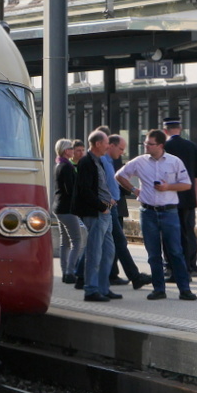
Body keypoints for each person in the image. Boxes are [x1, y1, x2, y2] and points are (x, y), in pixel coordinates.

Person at [115, 129, 196, 300]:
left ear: (160, 145)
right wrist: (134, 190)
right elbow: (120, 175)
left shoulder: (174, 162)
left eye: (149, 144)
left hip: (169, 211)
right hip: (148, 211)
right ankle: (159, 289)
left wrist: (168, 187)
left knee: (175, 251)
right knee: (153, 253)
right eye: (145, 143)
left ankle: (184, 289)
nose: (146, 146)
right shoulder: (140, 161)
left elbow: (186, 184)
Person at [71, 129, 119, 302]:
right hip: (97, 213)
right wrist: (102, 207)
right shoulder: (86, 162)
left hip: (105, 211)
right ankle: (91, 290)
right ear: (98, 144)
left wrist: (110, 201)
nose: (108, 146)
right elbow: (85, 190)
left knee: (108, 252)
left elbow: (100, 185)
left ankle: (103, 288)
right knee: (94, 252)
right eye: (106, 143)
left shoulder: (97, 161)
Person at [105, 134, 151, 288]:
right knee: (114, 241)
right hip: (106, 207)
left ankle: (80, 275)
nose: (122, 152)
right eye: (121, 148)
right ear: (109, 145)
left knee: (106, 242)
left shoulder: (108, 160)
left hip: (111, 206)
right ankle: (134, 277)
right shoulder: (103, 161)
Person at [161, 117, 197, 277]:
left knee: (168, 233)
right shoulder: (192, 146)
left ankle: (170, 266)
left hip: (168, 196)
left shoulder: (164, 147)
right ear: (180, 128)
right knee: (188, 232)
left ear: (165, 131)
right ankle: (191, 266)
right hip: (188, 197)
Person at [53, 138, 86, 285]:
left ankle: (65, 271)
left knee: (64, 241)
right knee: (76, 240)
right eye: (72, 149)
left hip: (59, 207)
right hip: (67, 208)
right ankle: (70, 272)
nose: (73, 151)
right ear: (67, 151)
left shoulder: (59, 164)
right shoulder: (67, 167)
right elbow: (70, 189)